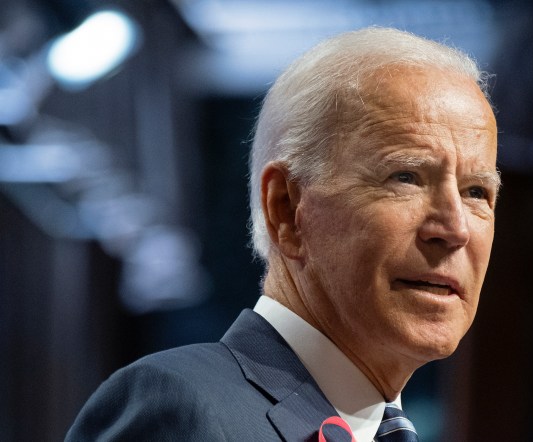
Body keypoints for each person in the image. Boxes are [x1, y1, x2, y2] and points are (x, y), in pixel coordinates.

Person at [66, 26, 500, 441]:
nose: (455, 228)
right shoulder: (185, 408)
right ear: (287, 210)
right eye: (405, 177)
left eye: (477, 191)